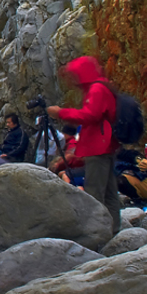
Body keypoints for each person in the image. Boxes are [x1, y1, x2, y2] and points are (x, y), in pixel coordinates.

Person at [47, 56, 121, 233]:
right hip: (106, 145)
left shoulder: (96, 90)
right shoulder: (101, 87)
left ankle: (96, 232)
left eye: (75, 75)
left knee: (95, 191)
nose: (73, 81)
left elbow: (89, 115)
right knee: (110, 191)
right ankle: (113, 228)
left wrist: (61, 112)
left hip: (98, 146)